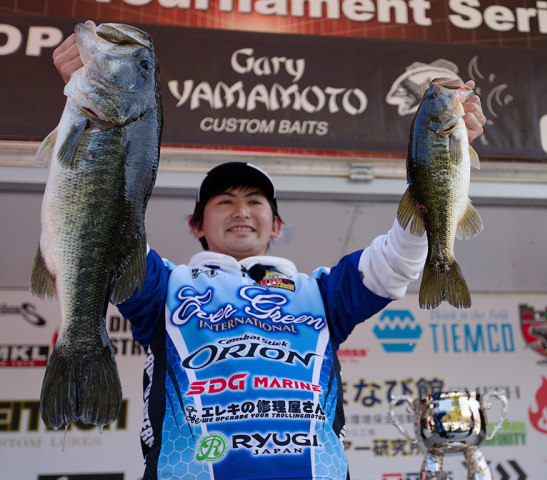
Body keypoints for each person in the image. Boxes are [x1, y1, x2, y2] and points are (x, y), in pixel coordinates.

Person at [53, 22, 486, 480]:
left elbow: (397, 262)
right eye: (224, 201)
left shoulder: (321, 292)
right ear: (196, 224)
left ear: (277, 224)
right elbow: (101, 228)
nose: (241, 211)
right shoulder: (162, 285)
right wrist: (97, 110)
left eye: (255, 201)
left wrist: (438, 160)